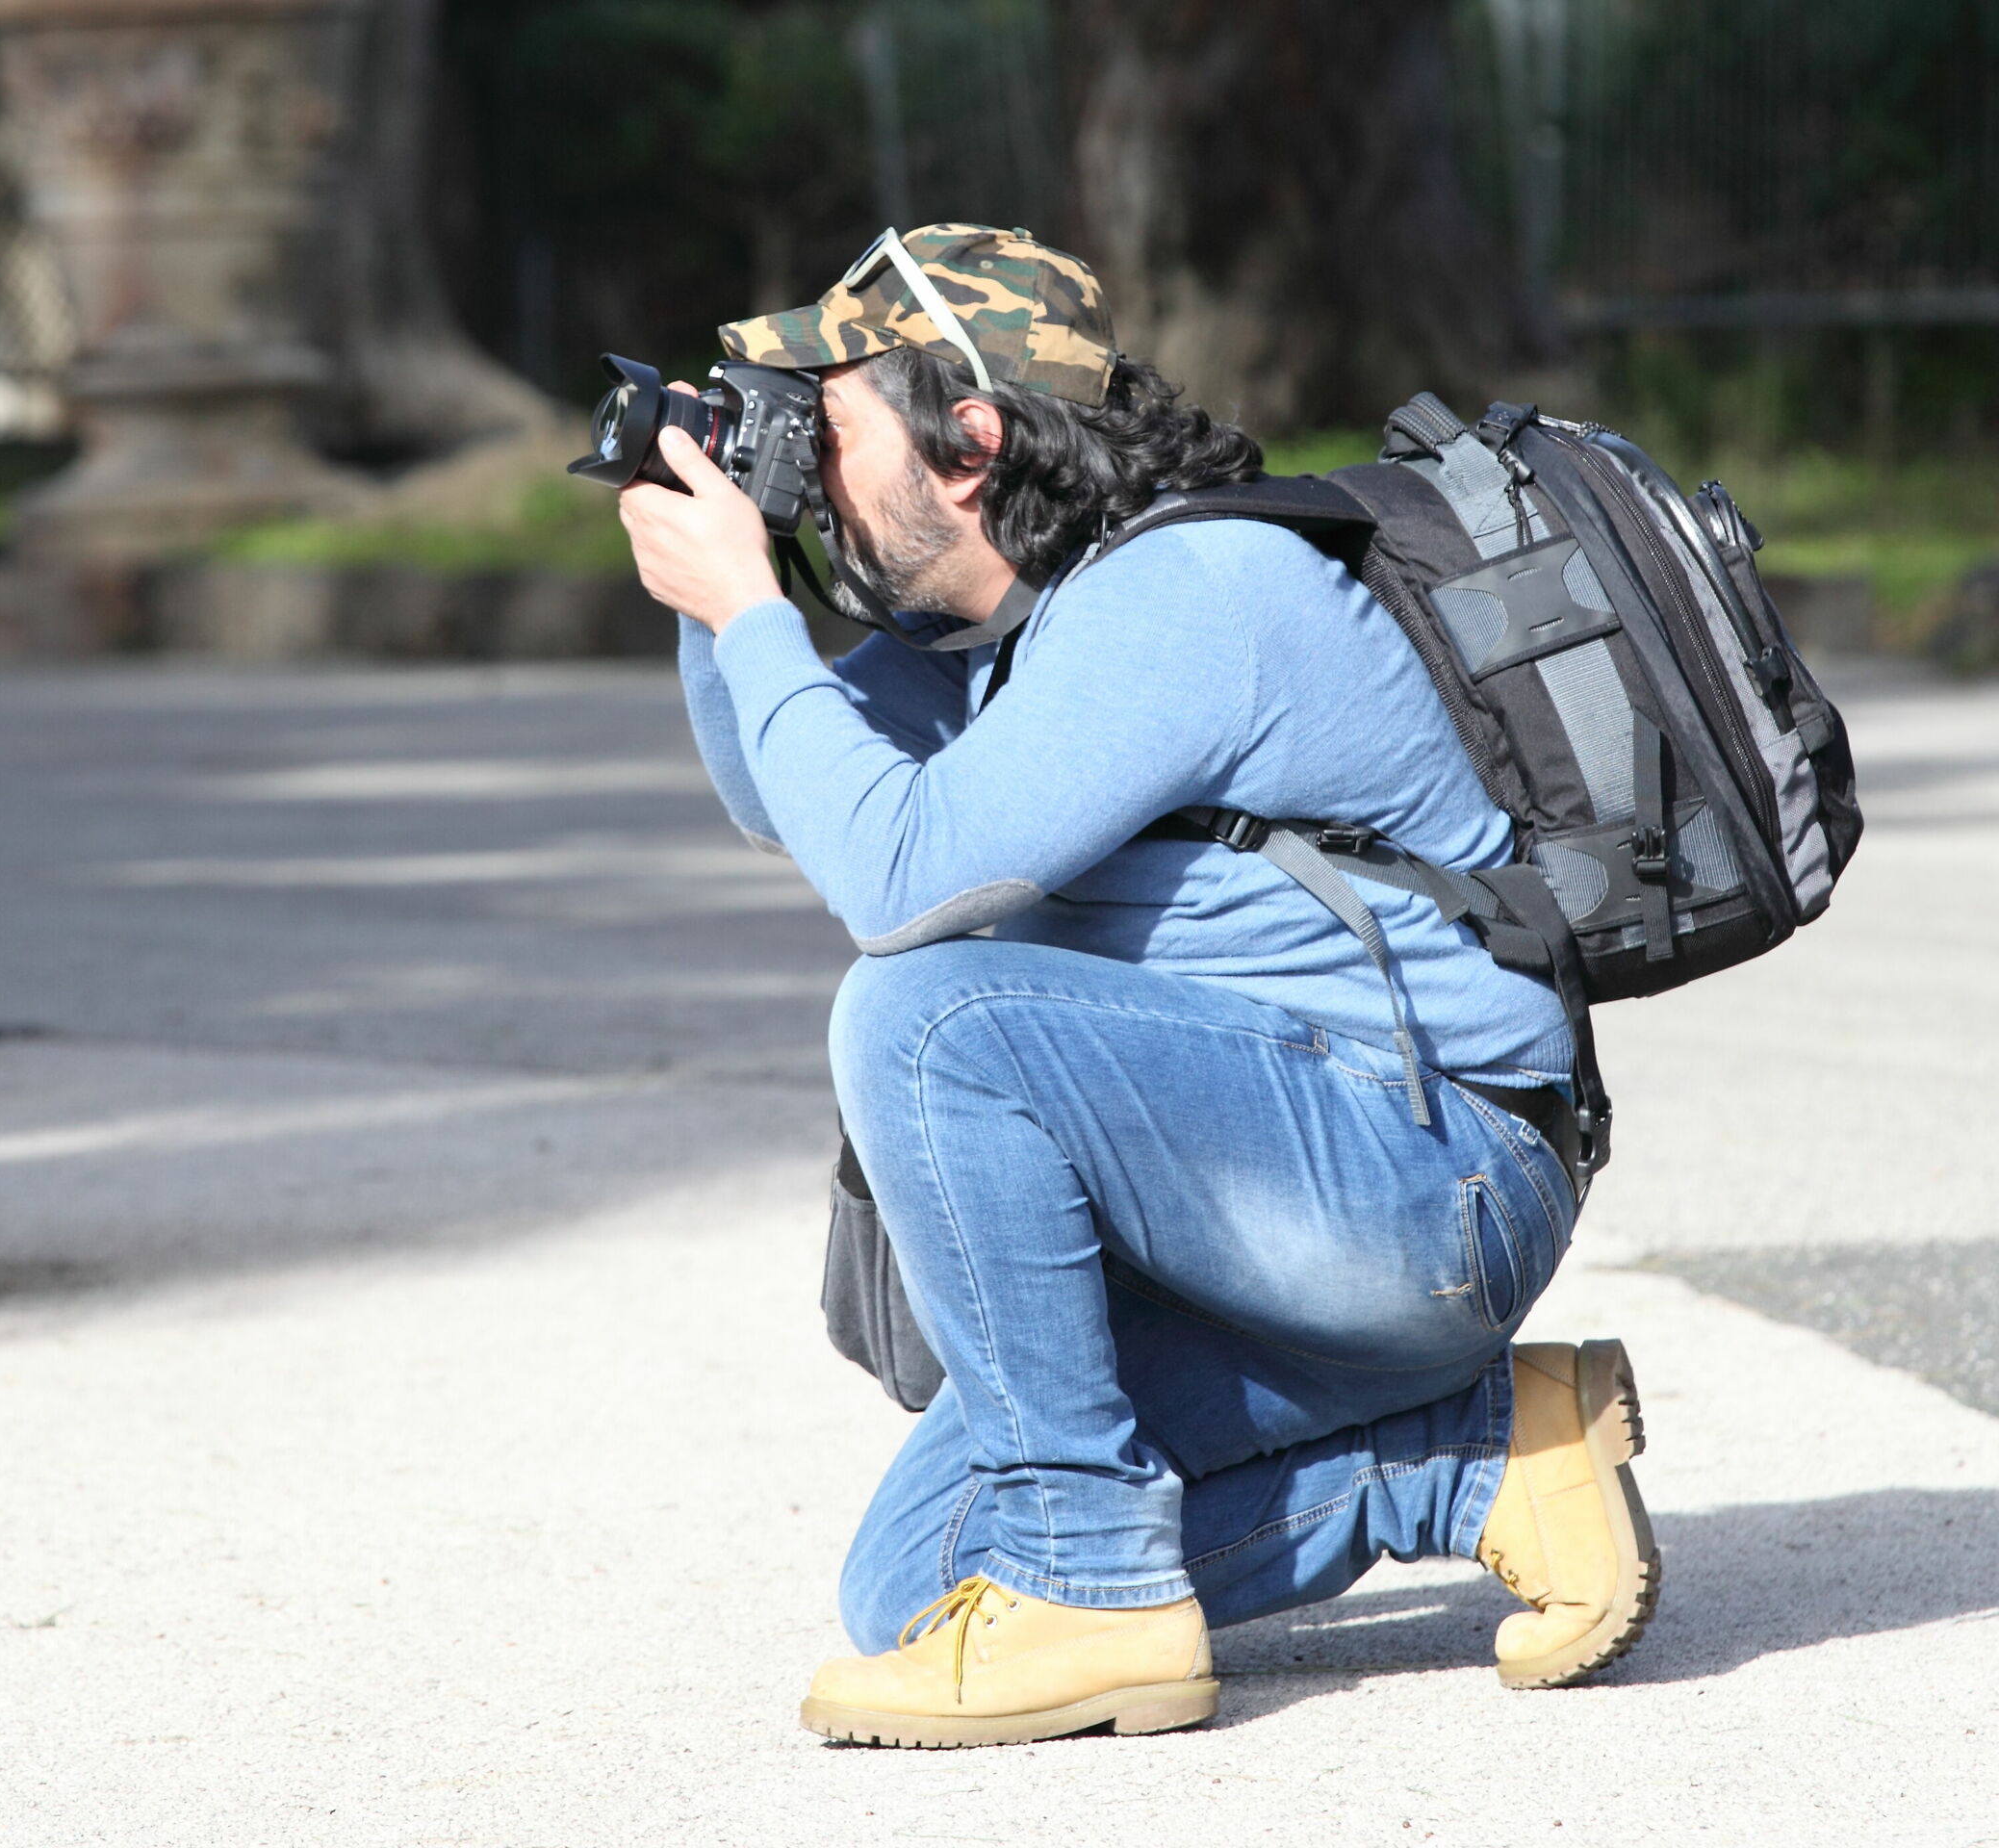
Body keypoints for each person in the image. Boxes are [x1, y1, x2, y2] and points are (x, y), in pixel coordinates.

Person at [617, 222, 1657, 1750]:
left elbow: (901, 882)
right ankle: (1480, 1457)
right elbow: (795, 796)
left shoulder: (1189, 593)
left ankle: (1094, 1590)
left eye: (823, 430)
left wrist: (757, 617)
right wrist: (734, 594)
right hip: (1296, 1212)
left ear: (966, 443)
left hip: (1424, 1183)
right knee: (917, 1577)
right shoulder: (1013, 629)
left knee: (932, 1017)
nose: (808, 468)